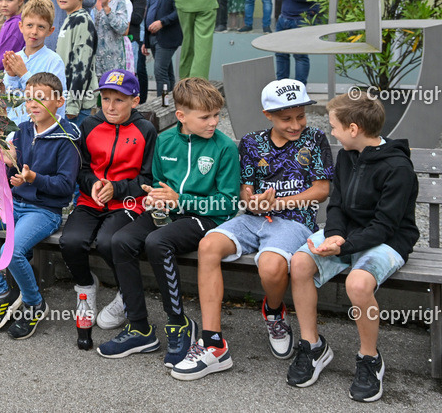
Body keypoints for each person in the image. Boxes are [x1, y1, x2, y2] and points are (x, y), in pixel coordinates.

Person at [171, 79, 332, 381]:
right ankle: (213, 343)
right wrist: (254, 202)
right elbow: (245, 192)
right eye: (286, 118)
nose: (296, 124)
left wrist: (278, 203)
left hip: (295, 221)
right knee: (208, 245)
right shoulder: (251, 142)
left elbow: (322, 190)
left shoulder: (315, 138)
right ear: (267, 115)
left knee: (271, 267)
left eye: (300, 116)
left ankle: (273, 312)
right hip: (254, 219)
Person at [286, 91, 419, 401]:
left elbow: (385, 226)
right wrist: (334, 235)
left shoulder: (398, 168)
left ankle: (370, 359)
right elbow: (337, 205)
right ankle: (313, 346)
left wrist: (343, 246)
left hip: (388, 240)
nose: (332, 132)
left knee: (358, 284)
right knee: (300, 263)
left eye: (334, 126)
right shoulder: (347, 155)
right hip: (347, 235)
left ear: (354, 129)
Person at [99, 78, 239, 367]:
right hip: (170, 211)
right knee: (120, 241)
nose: (214, 122)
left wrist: (180, 200)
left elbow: (227, 204)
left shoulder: (224, 147)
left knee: (157, 241)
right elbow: (157, 183)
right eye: (205, 117)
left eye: (216, 115)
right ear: (181, 116)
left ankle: (178, 324)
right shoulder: (164, 141)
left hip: (206, 218)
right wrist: (155, 196)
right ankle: (139, 328)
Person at [0, 72, 81, 339]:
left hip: (44, 211)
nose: (33, 104)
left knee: (11, 250)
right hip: (15, 204)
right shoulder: (24, 130)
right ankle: (1, 292)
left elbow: (65, 186)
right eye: (28, 99)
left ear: (59, 101)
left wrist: (33, 178)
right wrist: (10, 164)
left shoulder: (67, 137)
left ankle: (34, 303)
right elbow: (16, 172)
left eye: (41, 98)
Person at [59, 70, 155, 331]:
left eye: (119, 100)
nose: (111, 106)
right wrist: (93, 184)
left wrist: (117, 189)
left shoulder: (145, 129)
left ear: (135, 101)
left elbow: (148, 178)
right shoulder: (89, 125)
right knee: (70, 242)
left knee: (108, 242)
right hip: (91, 201)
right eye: (106, 98)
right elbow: (82, 169)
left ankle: (125, 293)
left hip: (127, 203)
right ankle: (86, 286)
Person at [2, 0, 66, 127]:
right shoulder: (16, 57)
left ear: (50, 31)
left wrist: (24, 74)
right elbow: (10, 99)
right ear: (21, 26)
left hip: (40, 129)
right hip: (15, 127)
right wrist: (11, 76)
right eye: (29, 25)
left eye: (41, 27)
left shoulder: (54, 61)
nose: (34, 32)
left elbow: (53, 100)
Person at [53, 0, 97, 125]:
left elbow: (81, 65)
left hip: (77, 106)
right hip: (65, 99)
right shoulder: (69, 19)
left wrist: (73, 105)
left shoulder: (82, 21)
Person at [144, 0, 181, 106]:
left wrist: (162, 22)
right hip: (153, 38)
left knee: (160, 72)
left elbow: (178, 12)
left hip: (167, 37)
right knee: (167, 72)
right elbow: (147, 16)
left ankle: (163, 104)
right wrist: (145, 42)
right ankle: (171, 103)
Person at [93, 0, 132, 80]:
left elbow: (123, 29)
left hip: (113, 62)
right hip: (92, 63)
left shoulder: (120, 1)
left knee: (113, 91)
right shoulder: (88, 2)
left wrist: (106, 8)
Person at [129, 0, 150, 102]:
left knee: (140, 68)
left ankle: (142, 99)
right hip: (133, 35)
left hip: (142, 35)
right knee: (134, 69)